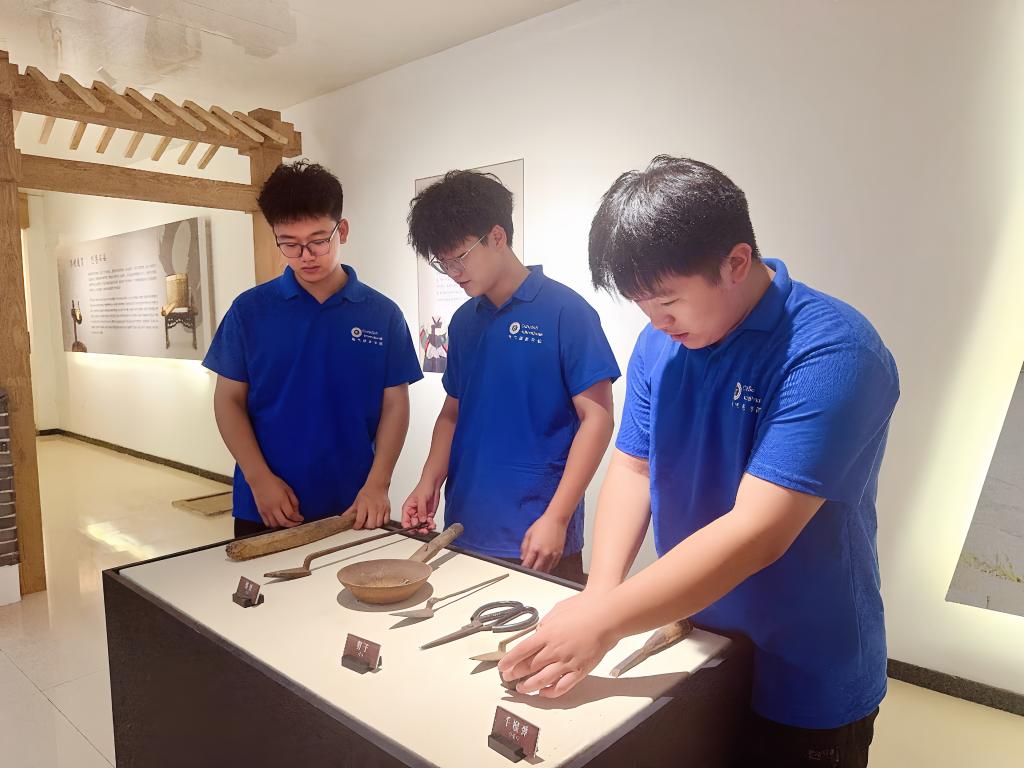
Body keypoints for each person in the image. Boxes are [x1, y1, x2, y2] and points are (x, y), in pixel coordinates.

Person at [499, 156, 899, 767]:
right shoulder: (659, 343)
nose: (656, 322)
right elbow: (633, 468)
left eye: (668, 301)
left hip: (803, 665)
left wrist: (606, 620)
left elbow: (758, 531)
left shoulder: (833, 352)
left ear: (735, 263)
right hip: (691, 636)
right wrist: (600, 593)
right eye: (642, 305)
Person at [401, 170, 619, 584]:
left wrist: (558, 517)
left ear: (497, 237)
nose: (452, 272)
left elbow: (598, 418)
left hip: (538, 534)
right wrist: (428, 481)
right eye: (442, 263)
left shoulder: (567, 312)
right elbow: (452, 413)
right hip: (463, 527)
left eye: (459, 257)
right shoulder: (464, 321)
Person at [203, 160, 423, 537]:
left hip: (354, 504)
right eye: (289, 243)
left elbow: (395, 404)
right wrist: (258, 479)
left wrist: (379, 484)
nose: (305, 255)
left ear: (343, 231)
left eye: (319, 240)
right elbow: (228, 400)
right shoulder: (250, 311)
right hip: (268, 504)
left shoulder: (382, 314)